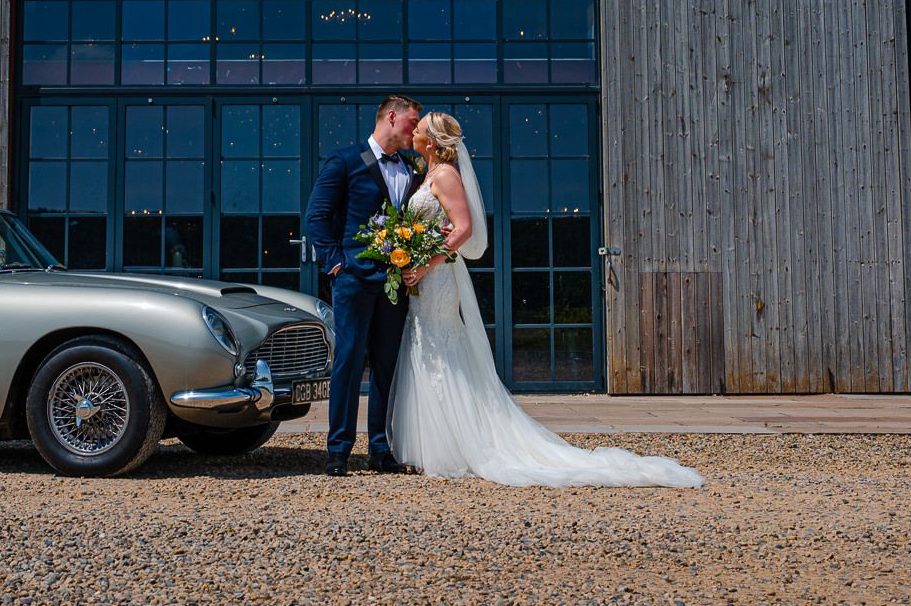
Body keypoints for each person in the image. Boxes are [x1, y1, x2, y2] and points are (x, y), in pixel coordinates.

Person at [388, 111, 706, 488]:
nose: (415, 130)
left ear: (433, 141)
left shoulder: (445, 175)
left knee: (442, 352)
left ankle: (455, 447)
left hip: (438, 279)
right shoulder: (427, 175)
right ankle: (432, 447)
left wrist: (425, 265)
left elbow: (464, 229)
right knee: (426, 349)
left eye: (420, 127)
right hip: (423, 280)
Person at [301, 93, 423, 477]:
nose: (415, 131)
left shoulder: (412, 168)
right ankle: (338, 449)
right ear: (391, 117)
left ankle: (380, 449)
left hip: (394, 283)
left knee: (386, 366)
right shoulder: (345, 161)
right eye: (411, 123)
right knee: (349, 362)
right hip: (353, 280)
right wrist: (337, 265)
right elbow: (316, 217)